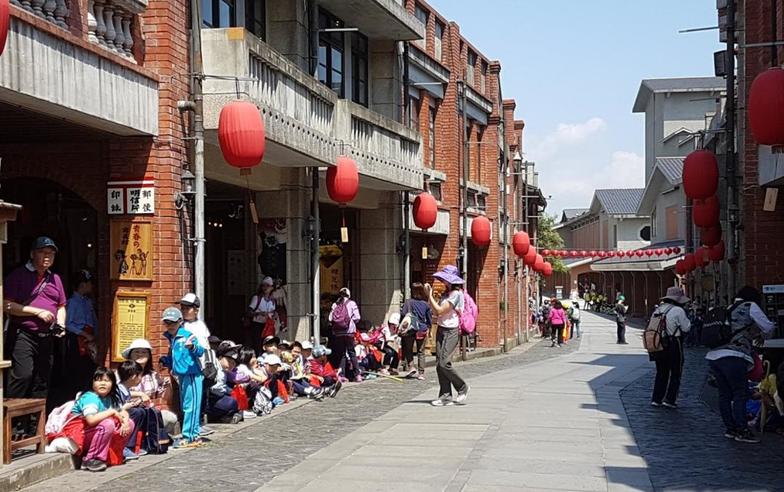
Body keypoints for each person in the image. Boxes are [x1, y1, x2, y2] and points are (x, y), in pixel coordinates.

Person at [706, 286, 776, 443]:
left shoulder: (727, 308)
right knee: (740, 393)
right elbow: (768, 326)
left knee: (724, 394)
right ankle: (742, 430)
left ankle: (730, 429)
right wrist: (763, 336)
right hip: (734, 355)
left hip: (715, 356)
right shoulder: (749, 306)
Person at [4, 237, 67, 410]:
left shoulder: (55, 278)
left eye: (51, 253)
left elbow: (61, 306)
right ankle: (12, 423)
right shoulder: (18, 275)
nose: (48, 256)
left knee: (42, 380)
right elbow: (5, 304)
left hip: (46, 336)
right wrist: (36, 312)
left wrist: (61, 325)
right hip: (23, 334)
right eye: (43, 252)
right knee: (22, 376)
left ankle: (34, 425)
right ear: (32, 254)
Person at [71, 367, 135, 472]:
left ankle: (113, 455)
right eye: (98, 380)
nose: (103, 384)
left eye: (107, 381)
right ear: (92, 382)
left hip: (94, 433)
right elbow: (91, 420)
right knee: (107, 424)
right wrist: (111, 412)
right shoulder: (90, 398)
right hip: (78, 434)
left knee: (130, 423)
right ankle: (92, 459)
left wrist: (126, 422)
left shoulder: (110, 397)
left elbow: (122, 411)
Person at [160, 307, 205, 448]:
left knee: (191, 406)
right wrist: (166, 361)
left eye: (173, 322)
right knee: (186, 405)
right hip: (181, 375)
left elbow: (201, 351)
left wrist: (192, 347)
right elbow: (175, 357)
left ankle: (191, 436)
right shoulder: (171, 338)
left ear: (180, 321)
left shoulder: (187, 335)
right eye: (167, 323)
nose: (170, 325)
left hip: (192, 375)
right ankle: (191, 435)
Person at [426, 265, 469, 407]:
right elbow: (434, 310)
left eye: (445, 280)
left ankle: (462, 387)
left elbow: (439, 311)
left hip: (451, 330)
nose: (443, 282)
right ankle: (445, 396)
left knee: (444, 362)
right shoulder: (446, 294)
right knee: (439, 364)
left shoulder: (457, 295)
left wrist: (429, 295)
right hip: (441, 329)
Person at [123, 339, 179, 437]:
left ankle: (150, 439)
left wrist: (168, 385)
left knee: (170, 418)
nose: (140, 354)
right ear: (130, 355)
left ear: (149, 356)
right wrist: (140, 394)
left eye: (144, 352)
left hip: (148, 411)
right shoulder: (122, 371)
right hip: (128, 411)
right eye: (136, 351)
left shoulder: (153, 375)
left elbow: (167, 398)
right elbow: (117, 391)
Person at [178, 293, 216, 437]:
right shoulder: (181, 325)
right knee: (188, 400)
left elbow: (203, 347)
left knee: (197, 398)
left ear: (196, 309)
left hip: (198, 367)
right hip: (185, 367)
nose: (184, 310)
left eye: (187, 308)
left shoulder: (200, 325)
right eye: (182, 307)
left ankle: (195, 427)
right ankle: (191, 429)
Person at [649, 287, 691, 409]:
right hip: (673, 343)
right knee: (675, 372)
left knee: (661, 372)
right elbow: (686, 328)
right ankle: (670, 399)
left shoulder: (658, 310)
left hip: (658, 343)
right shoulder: (678, 310)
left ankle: (656, 399)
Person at [64, 269, 98, 399]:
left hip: (89, 337)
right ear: (82, 285)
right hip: (77, 339)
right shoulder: (72, 302)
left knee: (89, 368)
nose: (91, 286)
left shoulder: (88, 301)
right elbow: (68, 324)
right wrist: (84, 334)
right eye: (89, 283)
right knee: (78, 369)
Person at [115, 360, 147, 460]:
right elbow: (115, 408)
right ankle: (126, 446)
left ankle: (134, 445)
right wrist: (128, 406)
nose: (141, 379)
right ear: (133, 376)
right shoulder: (117, 390)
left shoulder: (126, 389)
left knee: (141, 411)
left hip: (123, 414)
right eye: (140, 376)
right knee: (136, 413)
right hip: (117, 416)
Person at [400, 283, 432, 380]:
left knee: (408, 349)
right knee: (421, 351)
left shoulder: (408, 302)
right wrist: (428, 327)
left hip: (410, 329)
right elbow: (429, 318)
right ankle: (421, 373)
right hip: (421, 328)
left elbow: (403, 314)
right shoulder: (425, 304)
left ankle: (411, 366)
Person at [329, 288, 362, 382]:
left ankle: (342, 375)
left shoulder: (335, 304)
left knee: (341, 354)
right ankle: (357, 375)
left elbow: (330, 318)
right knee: (351, 352)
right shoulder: (352, 303)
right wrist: (351, 322)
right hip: (349, 331)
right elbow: (357, 317)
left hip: (338, 332)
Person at [246, 277, 277, 354]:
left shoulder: (272, 300)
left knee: (267, 345)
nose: (265, 288)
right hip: (257, 326)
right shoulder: (257, 298)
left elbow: (273, 313)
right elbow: (249, 312)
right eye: (264, 285)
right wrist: (259, 313)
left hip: (268, 326)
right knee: (257, 345)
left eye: (268, 286)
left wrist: (274, 315)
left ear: (272, 288)